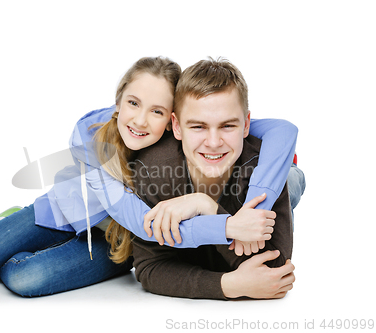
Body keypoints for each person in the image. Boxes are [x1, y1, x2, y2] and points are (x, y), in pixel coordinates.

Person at [0, 56, 301, 297]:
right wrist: (222, 223)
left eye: (157, 110)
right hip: (63, 215)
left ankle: (10, 258)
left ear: (172, 120)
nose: (141, 121)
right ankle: (0, 229)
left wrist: (242, 205)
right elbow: (145, 225)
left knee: (23, 279)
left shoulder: (186, 140)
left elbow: (280, 129)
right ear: (118, 101)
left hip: (114, 242)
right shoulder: (90, 138)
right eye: (133, 103)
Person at [126, 57, 300, 300]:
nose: (214, 142)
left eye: (228, 126)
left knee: (291, 182)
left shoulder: (266, 167)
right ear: (176, 126)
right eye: (198, 127)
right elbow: (150, 267)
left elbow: (274, 273)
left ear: (246, 124)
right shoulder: (152, 168)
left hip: (278, 176)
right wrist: (227, 285)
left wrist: (205, 205)